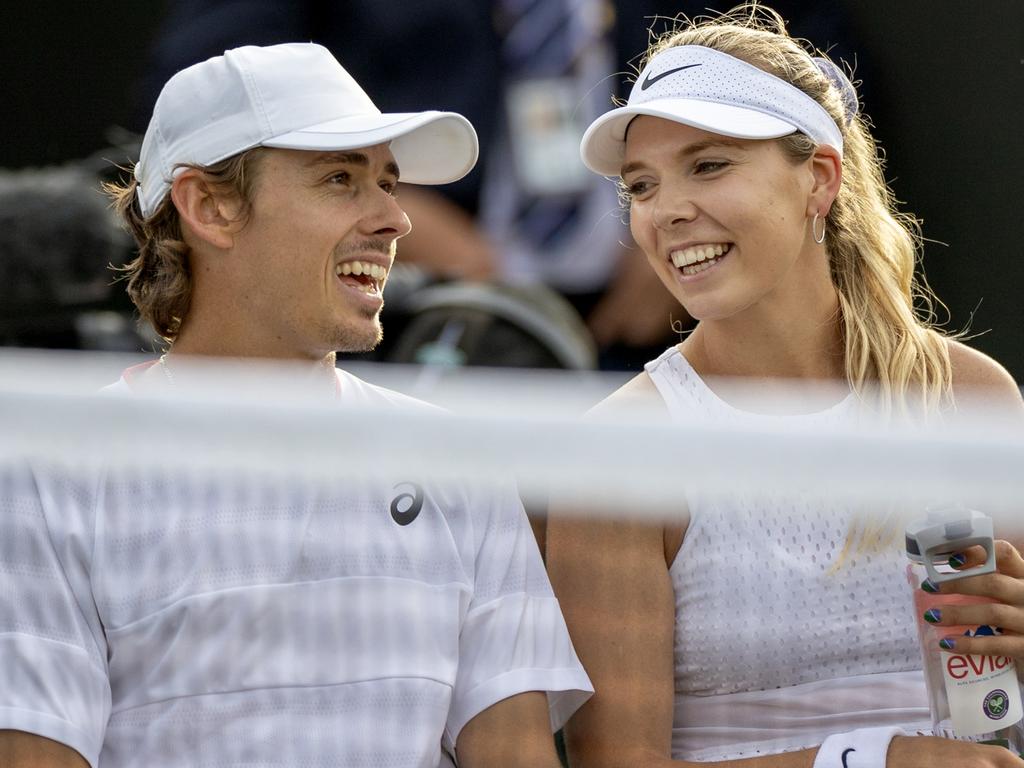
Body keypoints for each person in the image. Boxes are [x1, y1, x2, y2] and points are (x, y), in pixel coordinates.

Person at [0, 43, 591, 768]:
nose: (395, 220)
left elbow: (515, 755)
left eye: (389, 183)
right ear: (210, 206)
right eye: (341, 179)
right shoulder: (47, 471)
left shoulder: (457, 459)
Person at [545, 5, 1024, 768]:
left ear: (820, 180)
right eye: (641, 185)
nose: (665, 210)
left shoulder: (974, 398)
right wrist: (870, 760)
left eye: (708, 165)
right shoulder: (618, 449)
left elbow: (1001, 720)